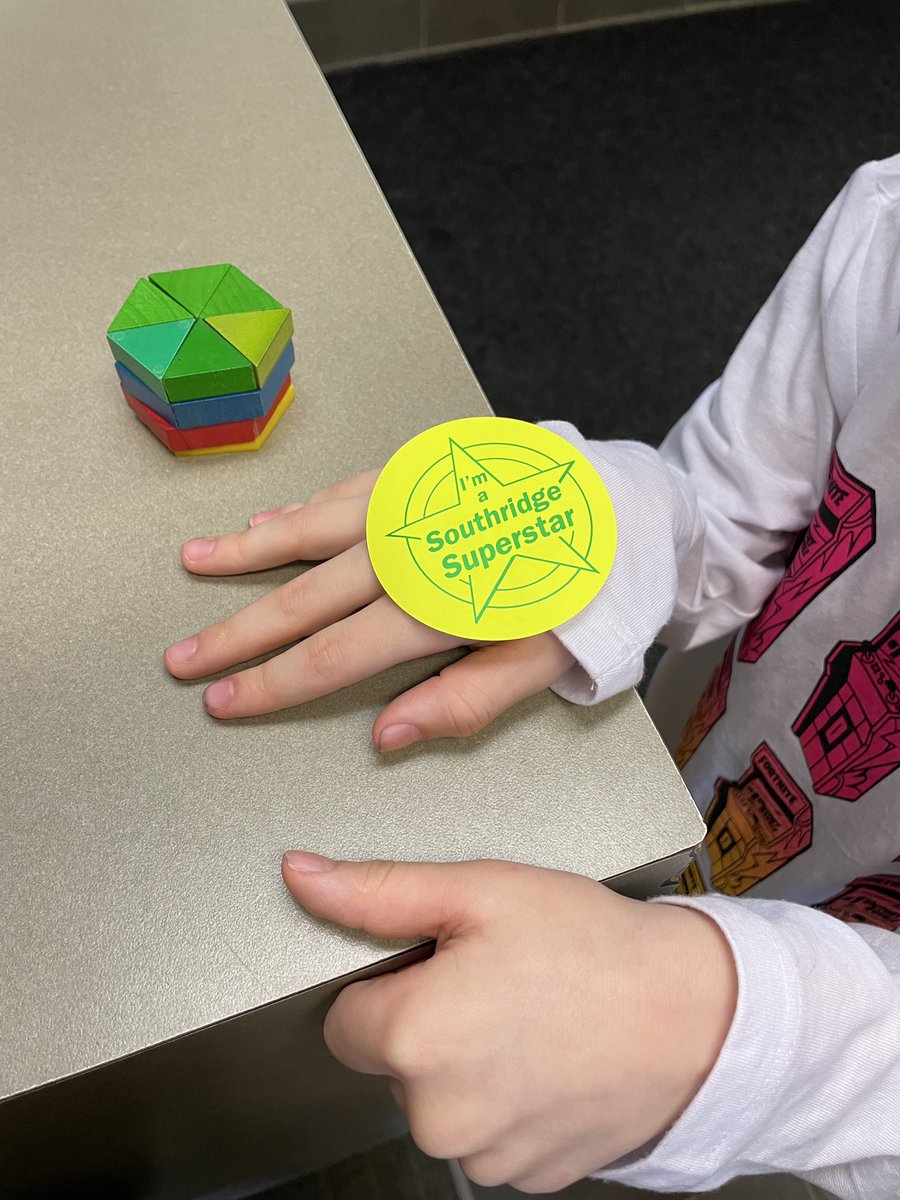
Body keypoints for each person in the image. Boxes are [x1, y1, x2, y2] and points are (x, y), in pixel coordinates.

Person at [164, 157, 900, 1198]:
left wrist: (741, 1036)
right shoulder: (890, 223)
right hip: (680, 843)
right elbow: (730, 515)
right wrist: (600, 523)